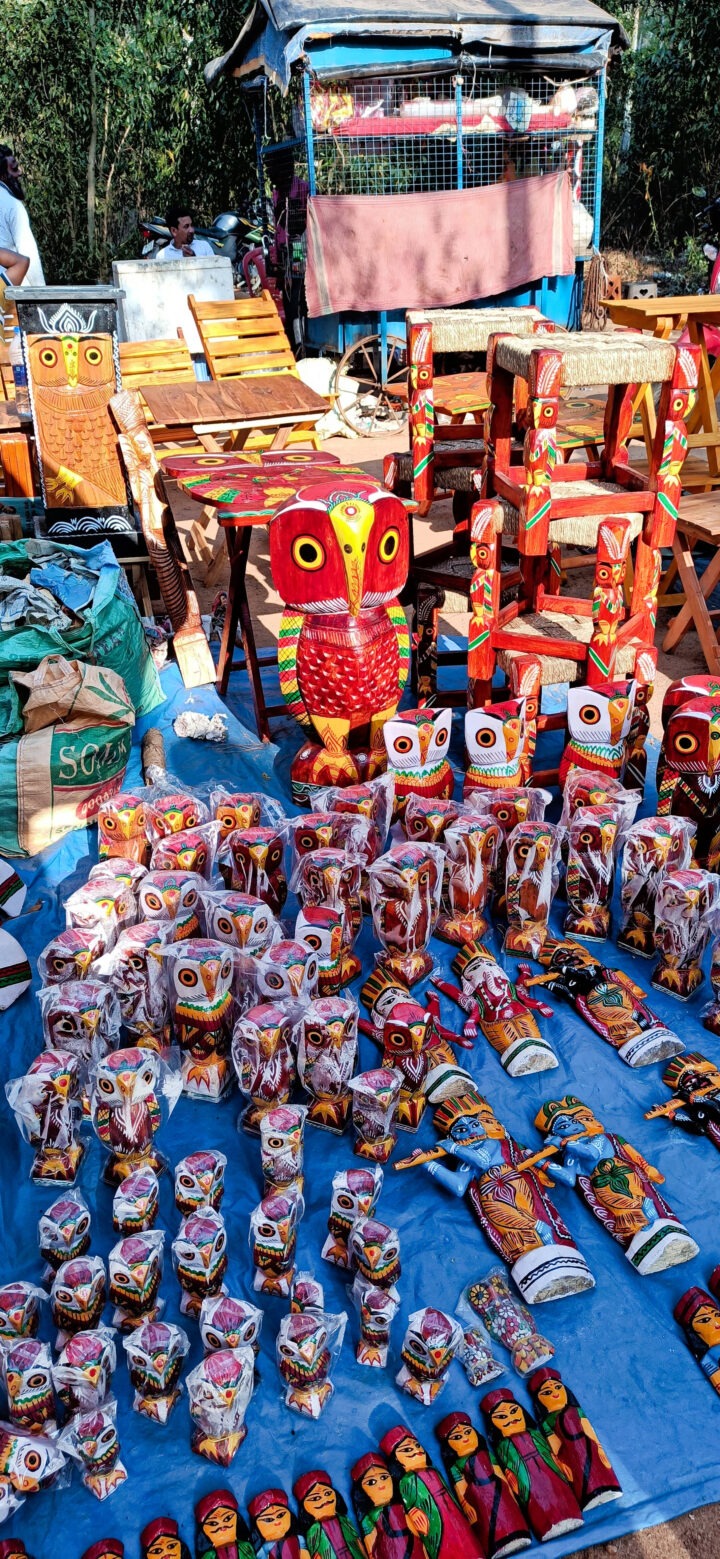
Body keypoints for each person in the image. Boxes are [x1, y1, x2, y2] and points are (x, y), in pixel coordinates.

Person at [0, 147, 45, 285]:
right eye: (14, 169)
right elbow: (28, 252)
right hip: (8, 294)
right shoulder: (12, 205)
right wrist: (43, 295)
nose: (19, 173)